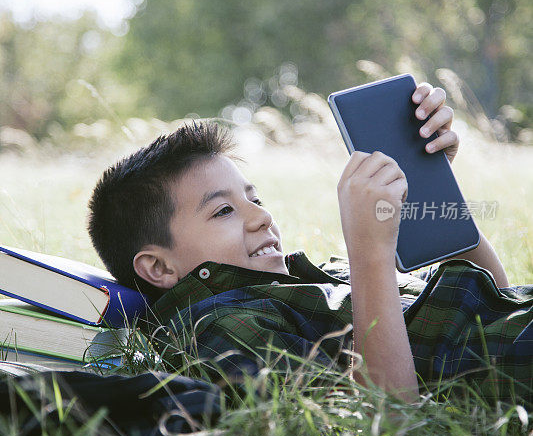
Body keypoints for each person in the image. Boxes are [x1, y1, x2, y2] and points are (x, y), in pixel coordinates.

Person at [87, 82, 533, 406]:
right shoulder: (223, 327)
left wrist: (430, 188)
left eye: (255, 198)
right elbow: (381, 419)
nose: (262, 216)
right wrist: (370, 255)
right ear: (159, 269)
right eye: (224, 211)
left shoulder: (310, 280)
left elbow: (494, 294)